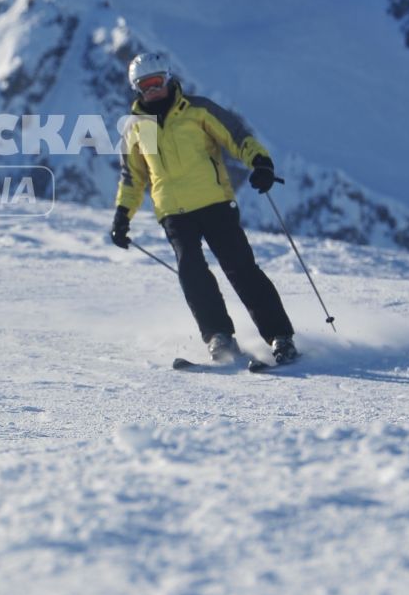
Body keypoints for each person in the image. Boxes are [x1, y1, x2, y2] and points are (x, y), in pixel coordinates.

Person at [109, 52, 298, 365]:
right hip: (173, 212)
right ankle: (218, 336)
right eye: (145, 86)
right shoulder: (134, 129)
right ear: (137, 89)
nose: (152, 90)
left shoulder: (198, 110)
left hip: (214, 203)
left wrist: (260, 162)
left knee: (241, 268)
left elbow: (237, 137)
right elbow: (133, 178)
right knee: (192, 273)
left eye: (156, 82)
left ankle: (279, 336)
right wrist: (122, 215)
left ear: (168, 79)